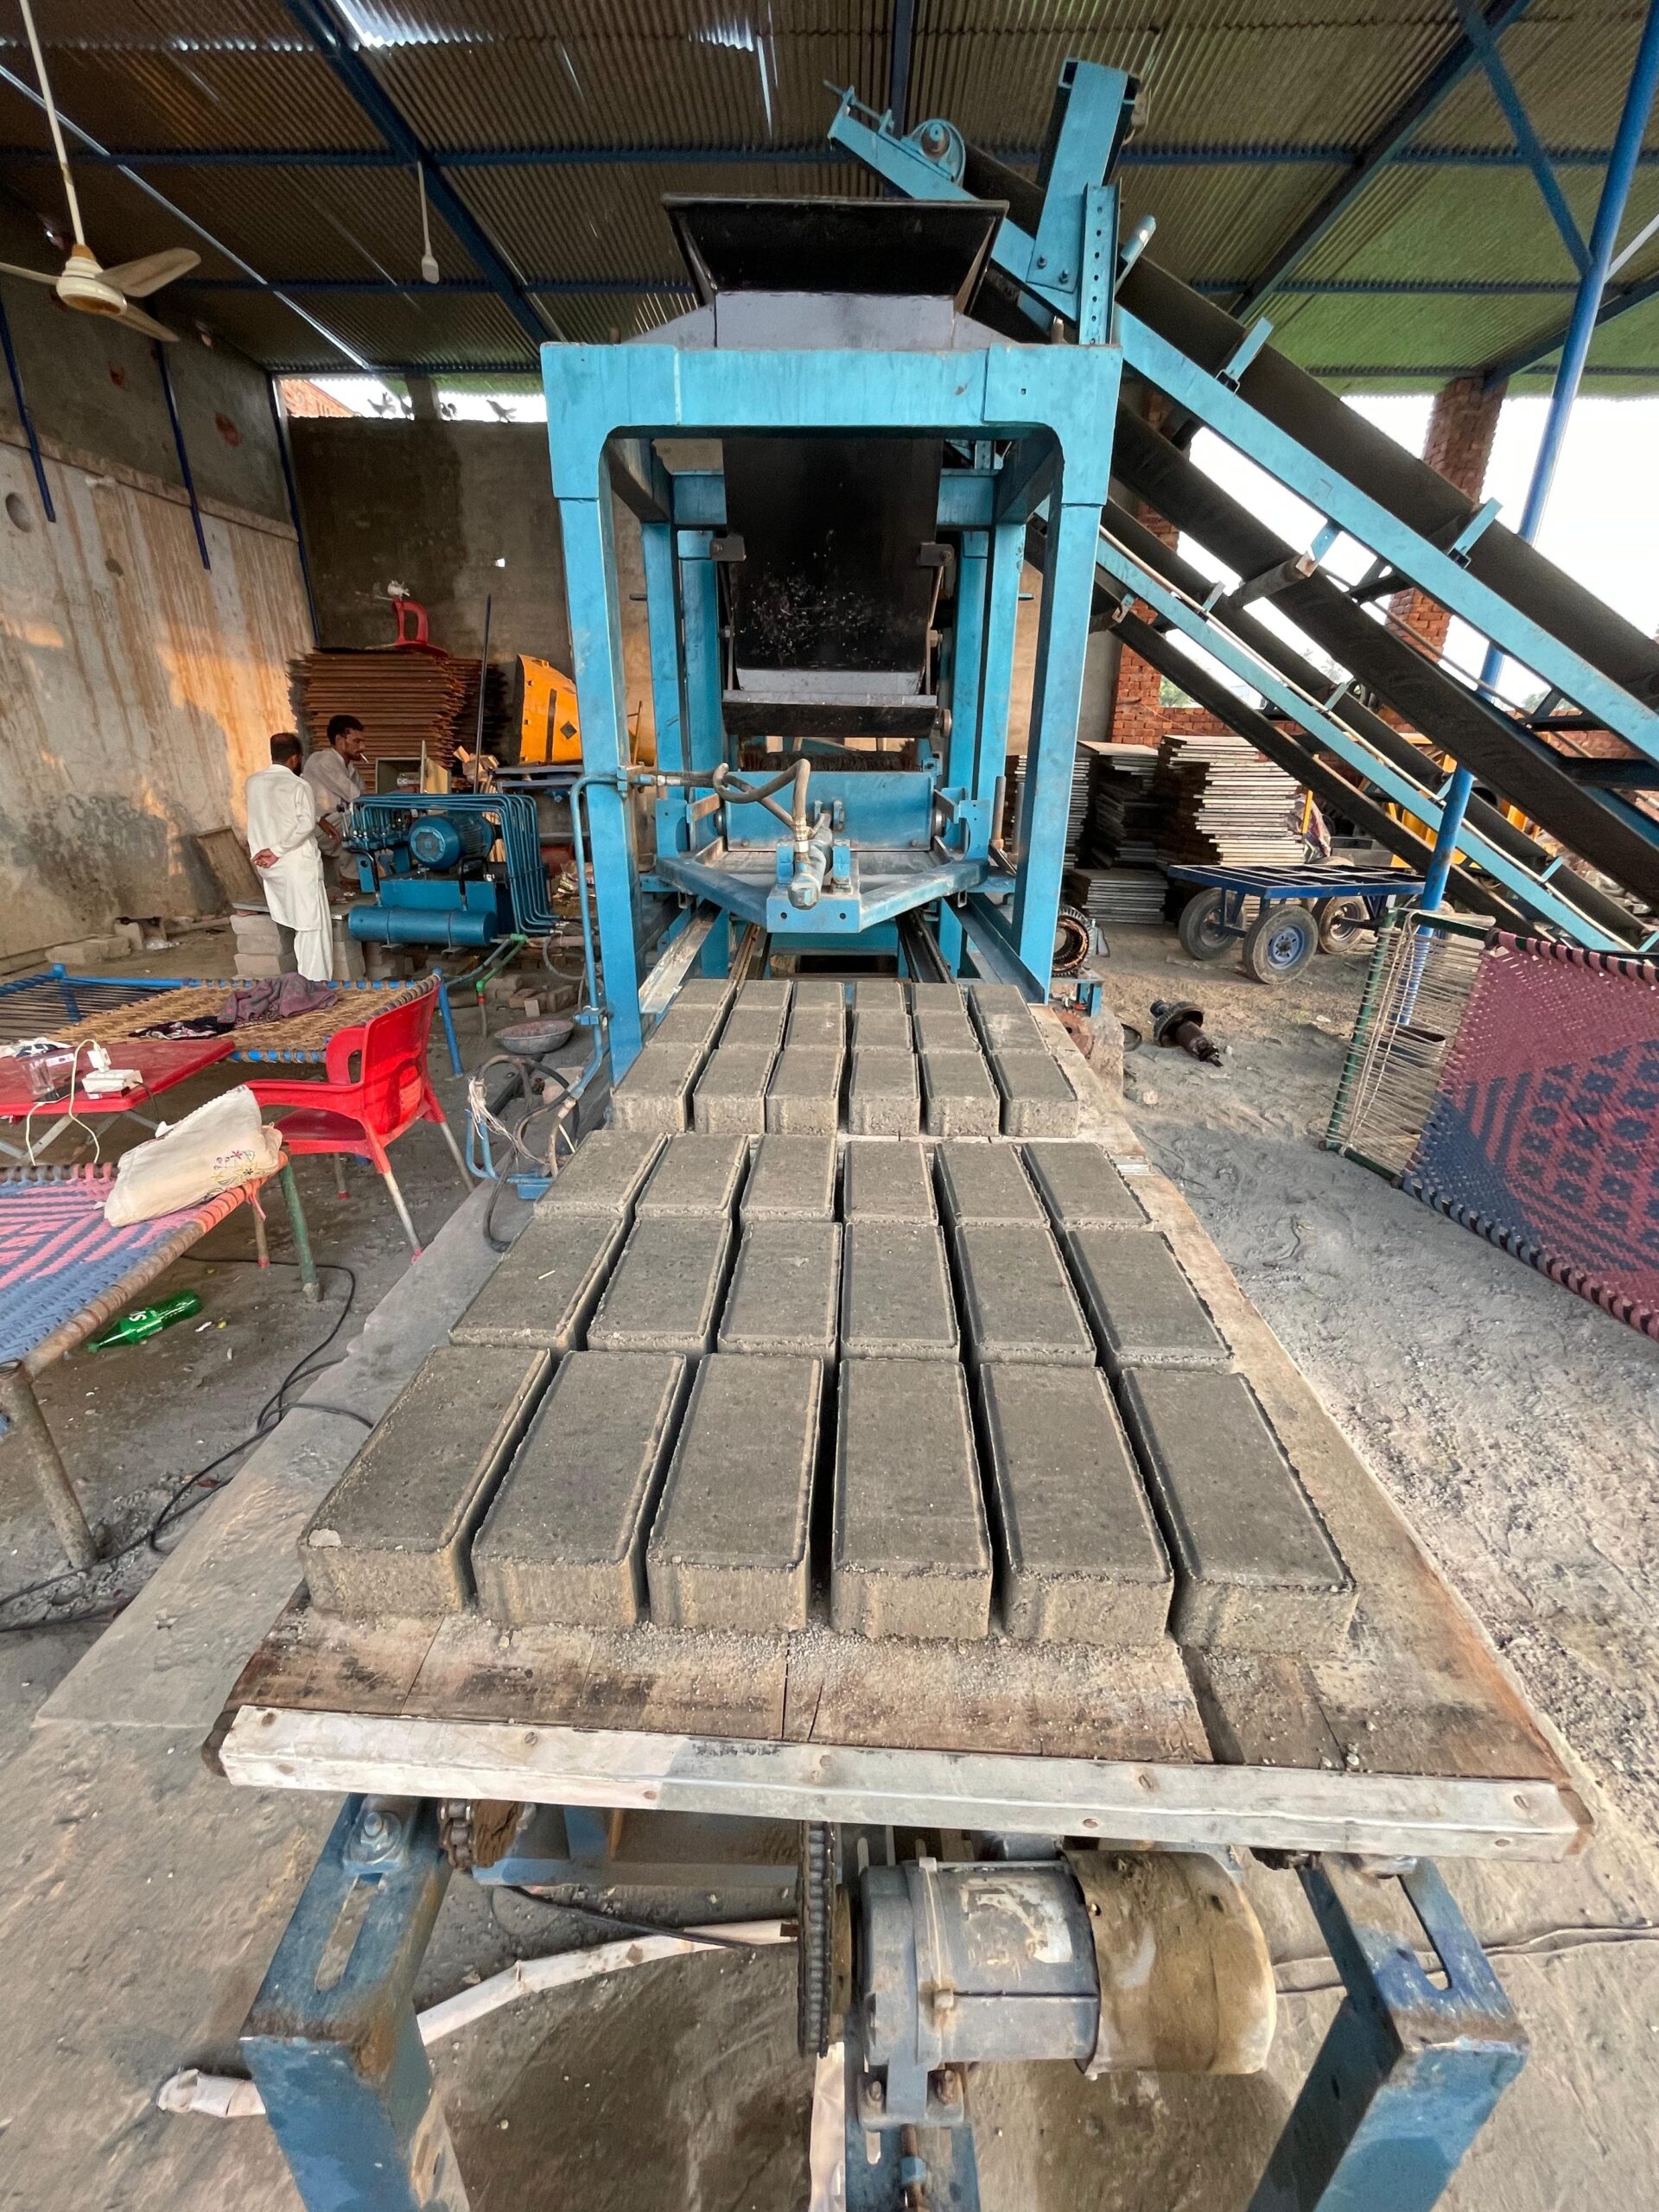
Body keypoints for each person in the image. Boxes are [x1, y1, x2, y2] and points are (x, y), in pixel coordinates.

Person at [246, 732, 334, 982]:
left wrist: (271, 853)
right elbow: (304, 825)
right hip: (296, 865)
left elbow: (272, 813)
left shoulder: (253, 782)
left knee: (295, 923)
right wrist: (277, 851)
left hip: (268, 866)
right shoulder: (299, 785)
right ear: (295, 759)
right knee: (312, 928)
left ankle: (301, 982)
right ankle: (313, 986)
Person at [304, 713, 368, 889]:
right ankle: (351, 877)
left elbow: (365, 799)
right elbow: (357, 798)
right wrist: (397, 795)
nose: (363, 747)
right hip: (320, 827)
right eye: (357, 741)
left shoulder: (351, 770)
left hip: (337, 827)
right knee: (359, 818)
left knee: (370, 818)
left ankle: (358, 875)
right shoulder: (323, 760)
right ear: (340, 741)